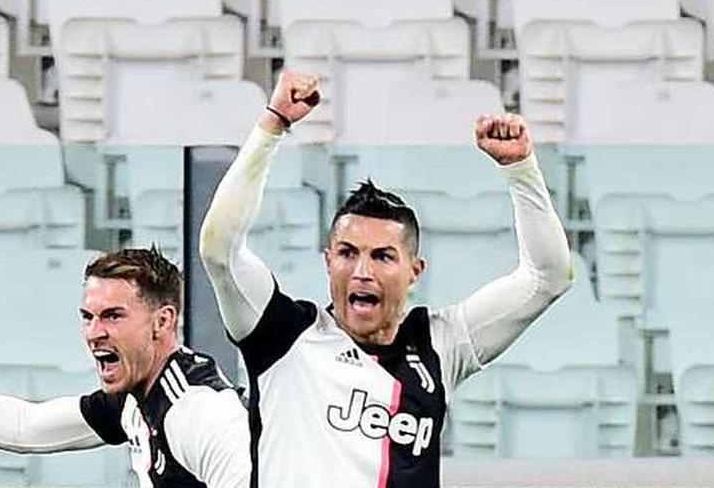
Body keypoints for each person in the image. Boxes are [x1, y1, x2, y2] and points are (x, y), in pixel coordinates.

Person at [199, 71, 573, 487]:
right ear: (327, 262)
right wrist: (273, 125)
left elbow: (548, 277)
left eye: (382, 257)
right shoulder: (283, 337)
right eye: (347, 253)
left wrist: (521, 170)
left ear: (415, 272)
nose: (362, 270)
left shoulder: (441, 344)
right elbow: (219, 248)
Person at [0, 247, 250, 488]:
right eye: (87, 316)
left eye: (113, 316)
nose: (94, 333)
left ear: (162, 322)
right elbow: (24, 426)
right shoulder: (136, 399)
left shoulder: (201, 411)